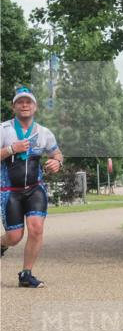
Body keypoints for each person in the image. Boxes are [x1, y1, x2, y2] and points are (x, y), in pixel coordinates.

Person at [1, 87, 64, 286]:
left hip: (35, 188)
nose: (25, 105)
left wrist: (57, 163)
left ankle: (26, 275)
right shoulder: (4, 129)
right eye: (20, 102)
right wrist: (12, 149)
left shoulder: (44, 132)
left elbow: (57, 154)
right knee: (14, 236)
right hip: (9, 190)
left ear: (35, 107)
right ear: (14, 107)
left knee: (36, 229)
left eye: (28, 102)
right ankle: (2, 244)